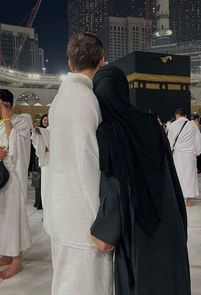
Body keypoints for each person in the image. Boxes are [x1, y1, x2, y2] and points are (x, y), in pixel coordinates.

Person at [91, 65, 191, 295]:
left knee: (142, 281)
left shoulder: (108, 130)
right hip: (167, 215)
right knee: (170, 277)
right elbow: (170, 173)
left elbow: (114, 185)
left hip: (138, 225)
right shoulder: (150, 122)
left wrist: (106, 231)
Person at [43, 33, 113, 295]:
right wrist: (103, 222)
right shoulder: (86, 100)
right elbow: (87, 162)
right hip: (81, 220)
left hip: (61, 210)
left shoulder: (60, 99)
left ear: (70, 62)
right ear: (102, 61)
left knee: (65, 283)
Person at [0, 89, 32, 279]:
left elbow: (19, 147)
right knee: (2, 218)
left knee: (13, 218)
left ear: (7, 104)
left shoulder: (21, 120)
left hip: (13, 178)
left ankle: (16, 260)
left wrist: (6, 118)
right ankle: (4, 254)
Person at [168, 108, 201, 207]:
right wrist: (197, 152)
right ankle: (189, 201)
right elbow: (199, 140)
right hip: (190, 156)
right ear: (185, 115)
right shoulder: (193, 125)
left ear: (176, 115)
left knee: (178, 176)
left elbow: (169, 141)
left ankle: (178, 200)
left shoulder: (173, 125)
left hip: (178, 155)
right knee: (190, 177)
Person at [31, 114, 49, 209]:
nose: (46, 122)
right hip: (39, 161)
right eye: (44, 120)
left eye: (47, 120)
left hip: (46, 162)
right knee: (38, 183)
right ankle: (38, 202)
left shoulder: (49, 131)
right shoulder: (39, 132)